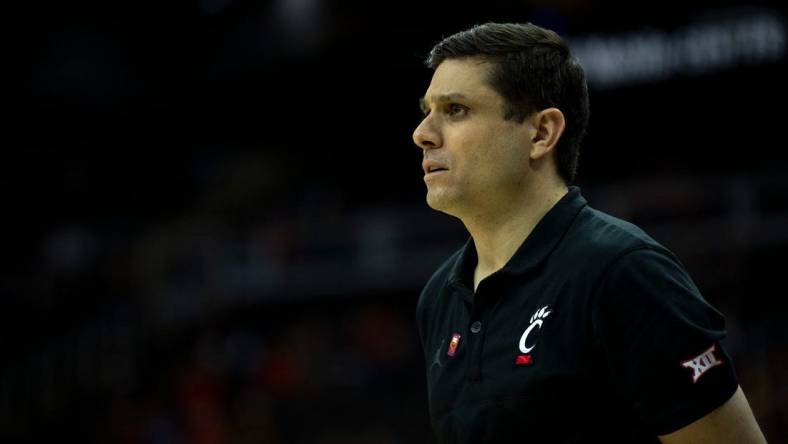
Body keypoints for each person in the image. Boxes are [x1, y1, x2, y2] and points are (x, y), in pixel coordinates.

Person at [412, 22, 766, 443]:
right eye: (427, 111)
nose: (422, 134)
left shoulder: (623, 272)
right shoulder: (439, 297)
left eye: (455, 110)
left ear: (541, 133)